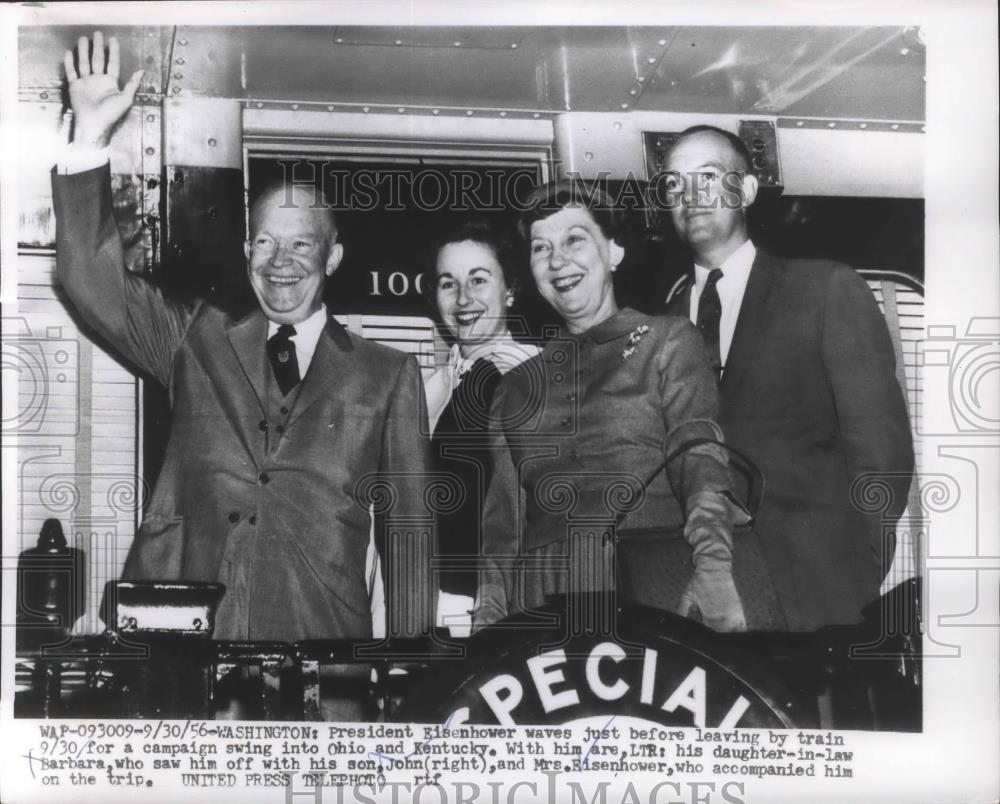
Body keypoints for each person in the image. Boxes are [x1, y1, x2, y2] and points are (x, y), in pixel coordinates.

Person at [53, 33, 433, 646]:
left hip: (323, 651)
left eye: (302, 243)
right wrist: (90, 141)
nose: (281, 260)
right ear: (245, 251)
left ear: (332, 257)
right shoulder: (193, 338)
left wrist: (416, 672)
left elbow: (411, 535)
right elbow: (88, 279)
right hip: (185, 650)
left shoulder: (388, 374)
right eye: (265, 241)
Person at [472, 181, 783, 634]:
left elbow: (698, 456)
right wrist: (488, 628)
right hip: (541, 598)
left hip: (647, 582)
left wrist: (713, 566)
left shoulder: (668, 340)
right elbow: (503, 529)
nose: (558, 261)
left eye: (575, 239)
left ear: (614, 252)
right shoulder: (515, 387)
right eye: (541, 248)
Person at [663, 125, 915, 630]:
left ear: (748, 190)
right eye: (673, 184)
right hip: (693, 598)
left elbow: (882, 452)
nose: (690, 196)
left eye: (708, 177)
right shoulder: (661, 320)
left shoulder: (823, 289)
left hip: (812, 593)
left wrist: (853, 574)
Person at [422, 221, 540, 635]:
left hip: (488, 608)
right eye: (448, 283)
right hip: (429, 601)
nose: (463, 298)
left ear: (510, 290)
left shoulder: (524, 375)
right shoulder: (435, 385)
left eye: (479, 280)